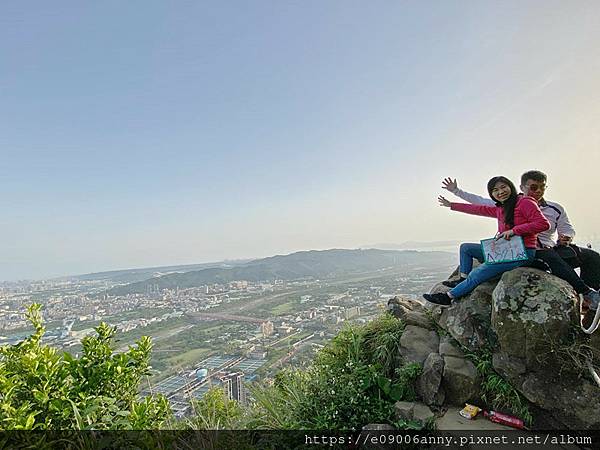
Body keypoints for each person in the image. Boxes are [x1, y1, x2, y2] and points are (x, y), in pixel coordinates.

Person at [441, 171, 600, 311]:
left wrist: (566, 236)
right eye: (533, 187)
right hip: (529, 249)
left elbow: (566, 227)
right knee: (552, 259)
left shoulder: (554, 208)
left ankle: (590, 297)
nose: (538, 191)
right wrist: (455, 193)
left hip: (549, 246)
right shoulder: (509, 204)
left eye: (542, 187)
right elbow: (478, 204)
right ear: (522, 187)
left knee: (591, 256)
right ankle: (586, 293)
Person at [423, 176, 550, 307]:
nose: (500, 192)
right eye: (495, 190)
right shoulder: (502, 207)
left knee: (479, 271)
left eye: (503, 187)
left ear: (510, 186)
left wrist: (514, 231)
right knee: (466, 248)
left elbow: (543, 224)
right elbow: (478, 209)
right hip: (506, 249)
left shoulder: (525, 202)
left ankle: (448, 297)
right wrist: (452, 205)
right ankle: (463, 280)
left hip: (522, 252)